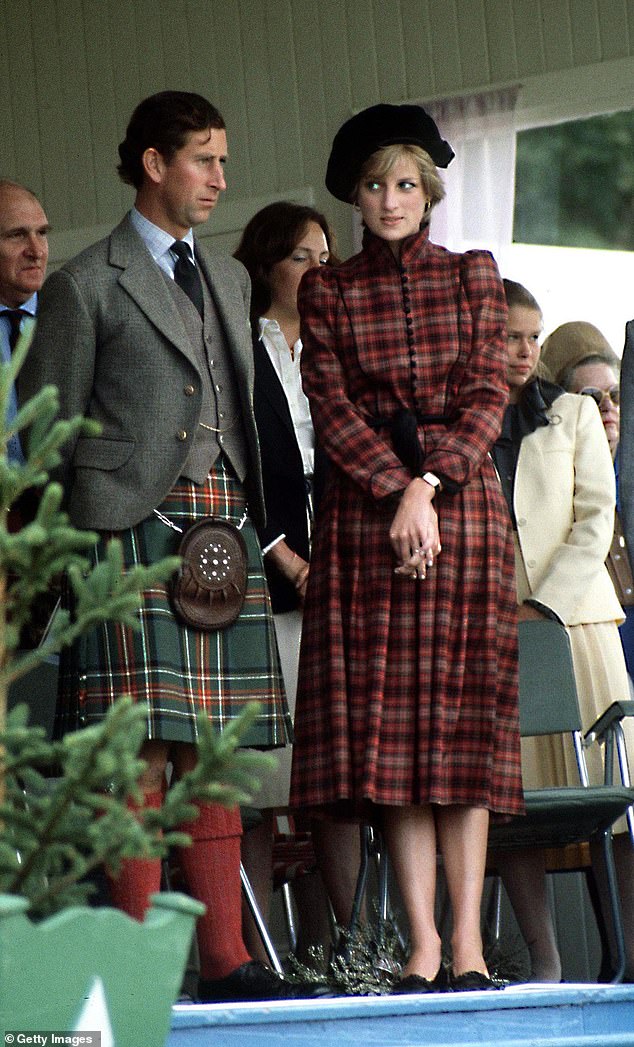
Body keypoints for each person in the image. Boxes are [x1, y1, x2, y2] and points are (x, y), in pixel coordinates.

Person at [19, 90, 329, 1004]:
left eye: (223, 160)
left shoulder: (230, 280)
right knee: (137, 755)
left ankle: (226, 960)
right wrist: (44, 565)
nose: (220, 178)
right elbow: (48, 434)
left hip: (224, 532)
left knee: (213, 751)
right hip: (129, 532)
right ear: (154, 164)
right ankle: (133, 968)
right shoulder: (85, 282)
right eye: (204, 159)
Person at [289, 103, 524, 994]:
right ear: (353, 193)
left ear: (428, 192)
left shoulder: (474, 274)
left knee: (459, 738)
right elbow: (332, 408)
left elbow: (486, 394)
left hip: (460, 515)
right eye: (374, 184)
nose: (389, 199)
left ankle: (468, 943)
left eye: (404, 184)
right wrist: (395, 491)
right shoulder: (328, 289)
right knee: (396, 747)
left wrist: (428, 488)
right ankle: (422, 943)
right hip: (364, 522)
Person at [491, 281, 634, 982]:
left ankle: (631, 953)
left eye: (532, 337)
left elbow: (594, 518)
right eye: (510, 335)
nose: (524, 351)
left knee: (619, 787)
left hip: (577, 622)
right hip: (495, 629)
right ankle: (544, 955)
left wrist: (542, 603)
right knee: (513, 800)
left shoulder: (573, 411)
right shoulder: (461, 420)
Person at [234, 201, 361, 962]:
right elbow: (233, 464)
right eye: (302, 257)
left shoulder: (340, 345)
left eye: (326, 256)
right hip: (265, 575)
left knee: (336, 779)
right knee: (264, 780)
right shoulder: (239, 346)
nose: (319, 270)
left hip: (345, 568)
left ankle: (346, 949)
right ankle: (262, 955)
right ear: (267, 267)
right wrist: (280, 551)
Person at [540, 322, 634, 678]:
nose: (608, 407)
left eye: (616, 395)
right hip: (591, 631)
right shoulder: (554, 476)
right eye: (593, 397)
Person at [0, 179, 49, 464]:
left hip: (59, 500)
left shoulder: (70, 317)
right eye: (17, 235)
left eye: (42, 233)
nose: (36, 250)